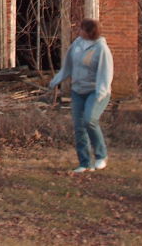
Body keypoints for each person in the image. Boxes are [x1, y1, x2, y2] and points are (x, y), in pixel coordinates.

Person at [48, 18, 114, 173]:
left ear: (90, 32)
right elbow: (68, 67)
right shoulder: (77, 44)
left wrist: (100, 93)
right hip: (78, 91)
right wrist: (55, 81)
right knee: (79, 127)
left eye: (82, 29)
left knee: (89, 120)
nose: (79, 30)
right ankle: (84, 163)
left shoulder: (101, 49)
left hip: (96, 91)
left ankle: (101, 155)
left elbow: (105, 73)